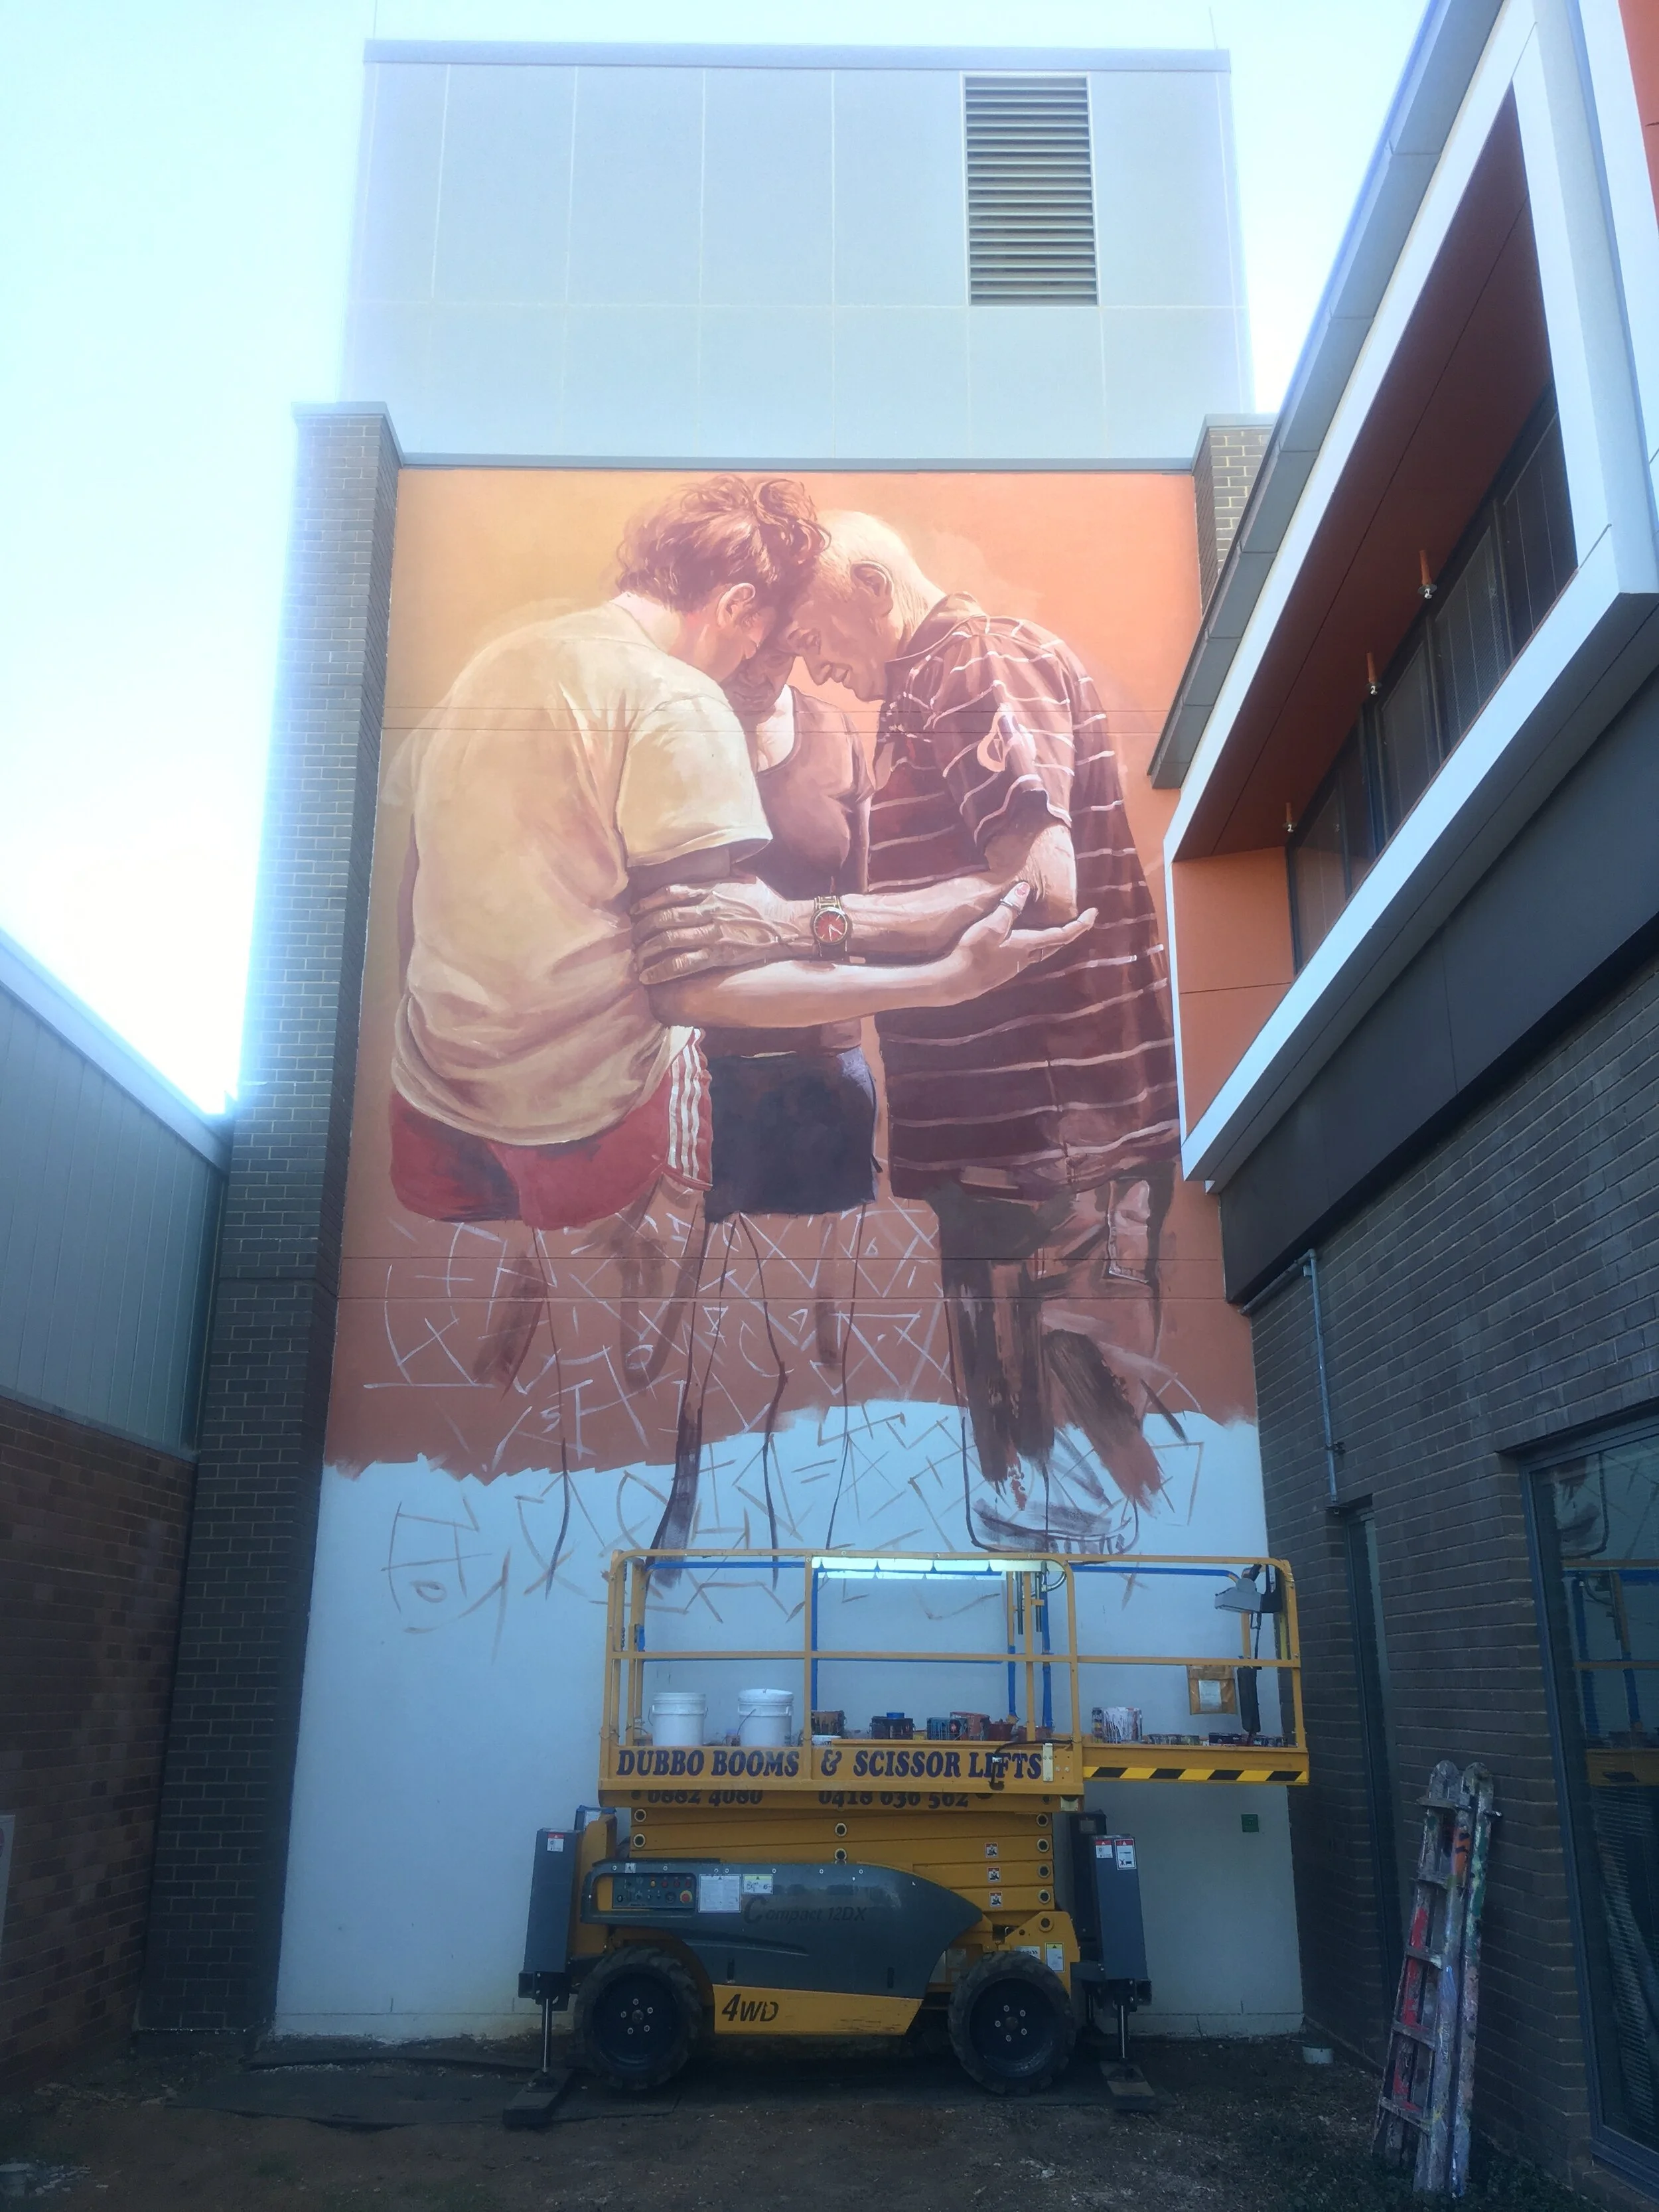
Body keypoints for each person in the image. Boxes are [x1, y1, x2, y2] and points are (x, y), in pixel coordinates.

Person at [390, 475, 1090, 1394]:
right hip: (583, 1118)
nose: (767, 663)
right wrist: (940, 979)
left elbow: (419, 868)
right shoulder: (677, 700)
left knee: (544, 1387)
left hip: (435, 1088)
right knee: (645, 1372)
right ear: (734, 604)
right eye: (767, 636)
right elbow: (694, 988)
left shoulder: (497, 664)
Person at [632, 510, 1181, 1548]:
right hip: (1008, 1160)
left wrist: (803, 923)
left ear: (874, 587)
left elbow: (1042, 886)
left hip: (1056, 1155)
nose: (811, 666)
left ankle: (1105, 1622)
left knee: (1080, 1503)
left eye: (812, 633)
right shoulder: (927, 688)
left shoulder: (978, 664)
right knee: (1025, 1507)